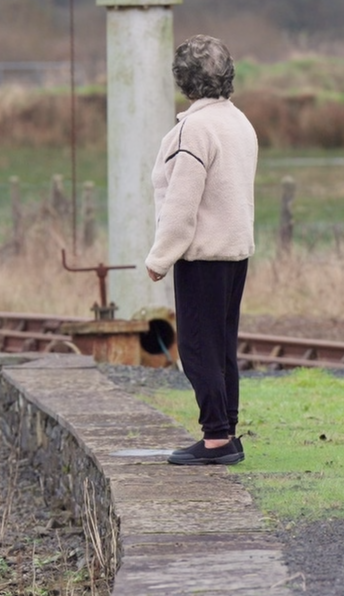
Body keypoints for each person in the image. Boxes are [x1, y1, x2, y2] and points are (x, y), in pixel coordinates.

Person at [144, 34, 258, 466]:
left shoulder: (194, 129)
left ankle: (215, 438)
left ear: (184, 80)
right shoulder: (239, 122)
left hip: (203, 255)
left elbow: (182, 201)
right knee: (222, 346)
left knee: (196, 348)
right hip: (235, 251)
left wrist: (160, 257)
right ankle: (227, 430)